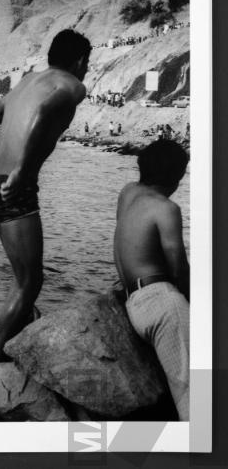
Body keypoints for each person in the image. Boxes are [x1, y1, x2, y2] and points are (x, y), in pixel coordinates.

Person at [0, 29, 90, 363]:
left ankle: (13, 342)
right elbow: (46, 112)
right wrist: (22, 169)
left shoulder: (24, 84)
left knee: (22, 278)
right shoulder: (72, 85)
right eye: (87, 63)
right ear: (80, 60)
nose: (88, 70)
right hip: (15, 187)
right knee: (30, 282)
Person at [113, 139, 190, 420]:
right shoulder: (167, 209)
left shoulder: (128, 193)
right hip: (163, 304)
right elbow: (179, 267)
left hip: (135, 301)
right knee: (192, 395)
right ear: (176, 176)